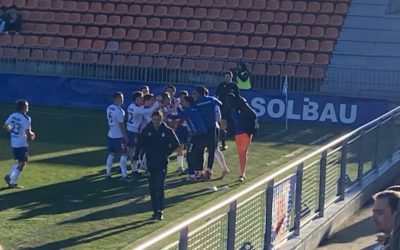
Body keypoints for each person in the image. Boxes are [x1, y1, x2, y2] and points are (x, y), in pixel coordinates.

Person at [133, 110, 179, 220]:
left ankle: (160, 210)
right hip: (150, 163)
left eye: (158, 120)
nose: (156, 122)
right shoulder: (147, 130)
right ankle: (155, 211)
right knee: (152, 188)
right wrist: (136, 156)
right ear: (152, 119)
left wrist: (166, 152)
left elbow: (176, 143)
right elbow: (139, 143)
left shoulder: (167, 131)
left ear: (161, 120)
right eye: (154, 120)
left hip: (162, 163)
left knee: (160, 187)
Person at [168, 95, 208, 181]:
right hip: (204, 134)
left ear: (187, 102)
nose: (181, 102)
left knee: (190, 154)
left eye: (183, 101)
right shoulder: (195, 109)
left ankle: (192, 175)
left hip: (196, 136)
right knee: (199, 154)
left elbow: (175, 116)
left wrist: (166, 114)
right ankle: (199, 173)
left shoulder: (188, 111)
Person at [225, 93, 258, 182]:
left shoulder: (241, 106)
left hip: (245, 132)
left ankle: (242, 174)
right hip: (238, 133)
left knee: (243, 153)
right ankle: (242, 173)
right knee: (241, 154)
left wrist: (252, 130)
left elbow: (253, 115)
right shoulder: (232, 108)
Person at [3, 100, 35, 188]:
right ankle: (11, 180)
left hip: (14, 142)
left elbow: (5, 126)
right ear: (24, 107)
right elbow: (27, 132)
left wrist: (11, 131)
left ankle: (10, 178)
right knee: (23, 162)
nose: (28, 107)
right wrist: (32, 135)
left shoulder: (13, 115)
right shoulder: (26, 119)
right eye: (27, 105)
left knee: (20, 161)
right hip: (22, 143)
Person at [126, 91, 159, 176]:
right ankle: (134, 170)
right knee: (134, 151)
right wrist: (158, 103)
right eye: (141, 98)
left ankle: (136, 167)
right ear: (136, 99)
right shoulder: (138, 109)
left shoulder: (131, 106)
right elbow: (149, 111)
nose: (142, 100)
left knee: (135, 150)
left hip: (131, 129)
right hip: (134, 131)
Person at [193, 85, 222, 180]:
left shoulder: (196, 103)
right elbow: (220, 103)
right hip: (212, 128)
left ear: (198, 93)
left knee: (200, 150)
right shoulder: (211, 99)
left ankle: (199, 171)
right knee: (211, 149)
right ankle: (209, 171)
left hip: (202, 129)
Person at [105, 92, 129, 181]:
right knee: (124, 154)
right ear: (117, 99)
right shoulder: (120, 111)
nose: (123, 100)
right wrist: (125, 136)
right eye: (122, 98)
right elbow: (121, 125)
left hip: (111, 134)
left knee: (111, 154)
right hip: (119, 136)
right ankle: (124, 175)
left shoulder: (109, 108)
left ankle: (108, 173)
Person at [215, 71, 240, 151]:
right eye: (225, 77)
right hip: (222, 107)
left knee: (231, 124)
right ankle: (223, 143)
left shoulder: (234, 86)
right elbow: (216, 95)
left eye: (228, 77)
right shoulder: (221, 85)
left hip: (231, 108)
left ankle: (231, 138)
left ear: (231, 77)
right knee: (223, 124)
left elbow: (237, 97)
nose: (226, 78)